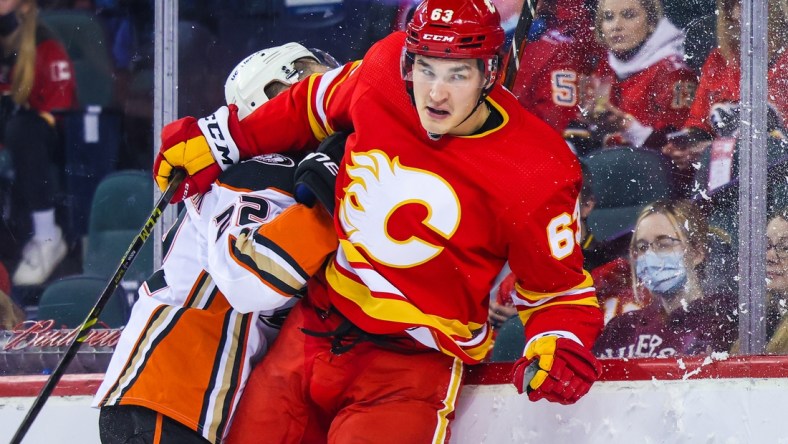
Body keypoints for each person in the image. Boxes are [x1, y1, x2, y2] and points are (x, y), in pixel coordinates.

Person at [153, 0, 605, 440]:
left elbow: (559, 292)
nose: (436, 93)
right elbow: (309, 104)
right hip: (315, 326)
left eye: (458, 74)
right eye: (425, 68)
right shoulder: (384, 67)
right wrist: (222, 140)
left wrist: (560, 340)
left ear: (492, 73)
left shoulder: (539, 169)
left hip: (411, 365)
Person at [93, 43, 342, 444]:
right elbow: (251, 281)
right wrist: (328, 209)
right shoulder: (262, 170)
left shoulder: (272, 169)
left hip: (183, 405)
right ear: (276, 90)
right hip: (169, 396)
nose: (330, 85)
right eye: (311, 72)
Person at [661, 0, 788, 194]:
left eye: (744, 6)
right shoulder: (718, 61)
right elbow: (698, 125)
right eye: (729, 7)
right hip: (727, 178)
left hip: (779, 179)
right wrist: (687, 147)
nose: (736, 15)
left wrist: (721, 147)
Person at [593, 199, 737, 358]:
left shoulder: (725, 321)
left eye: (663, 244)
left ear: (697, 253)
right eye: (642, 247)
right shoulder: (622, 330)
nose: (649, 255)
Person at [0, 0, 76, 286]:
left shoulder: (47, 47)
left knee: (24, 128)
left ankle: (47, 236)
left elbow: (60, 111)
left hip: (45, 145)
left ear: (25, 6)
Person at [580, 0, 697, 152]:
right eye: (608, 17)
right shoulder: (605, 66)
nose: (616, 26)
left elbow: (679, 149)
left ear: (651, 22)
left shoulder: (674, 72)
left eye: (629, 15)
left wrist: (626, 125)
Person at [510, 0, 603, 143]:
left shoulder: (556, 47)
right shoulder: (538, 39)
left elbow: (560, 125)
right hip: (534, 139)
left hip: (551, 142)